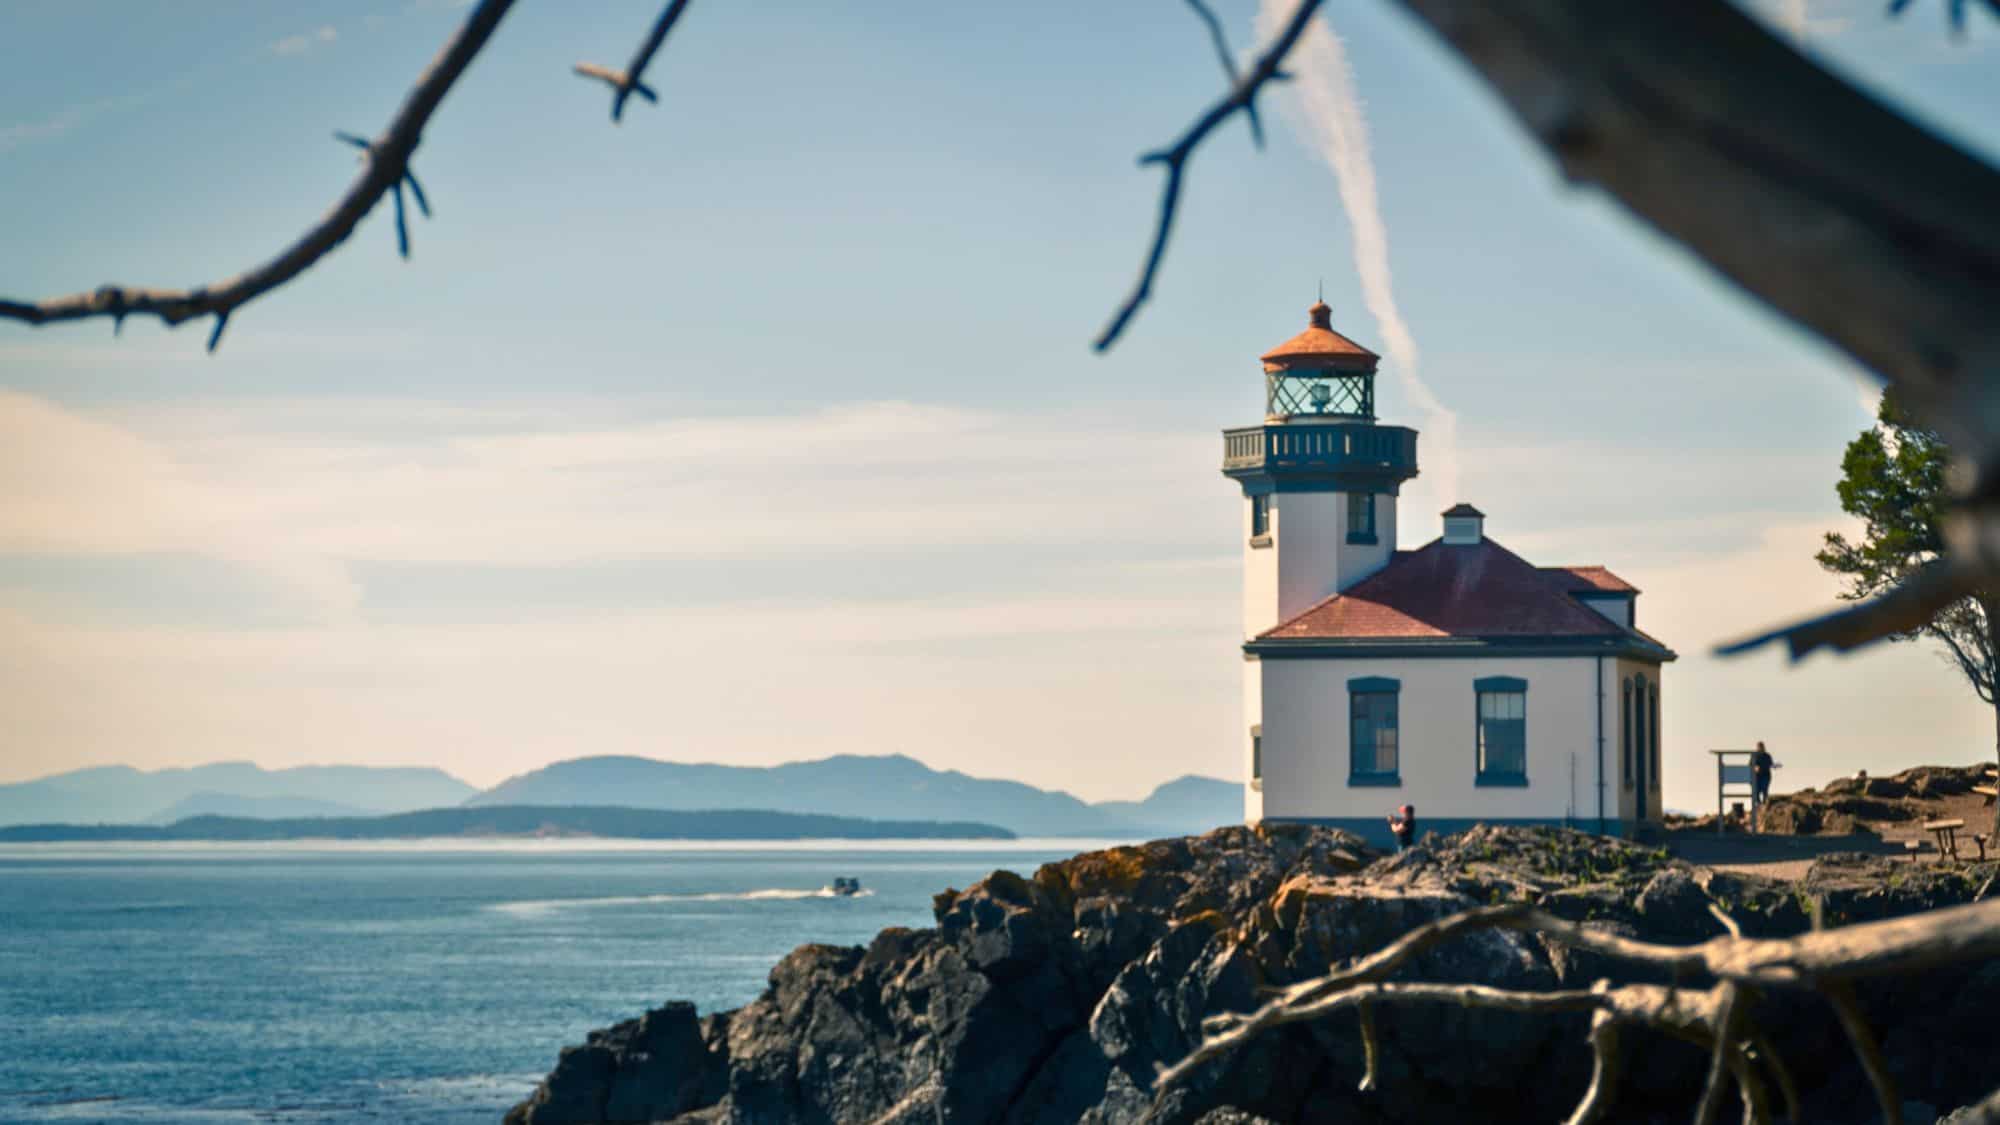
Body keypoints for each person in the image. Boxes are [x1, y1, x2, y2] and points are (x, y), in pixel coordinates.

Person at [1750, 741, 1776, 814]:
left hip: (1765, 776)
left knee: (1765, 791)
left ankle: (1764, 805)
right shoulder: (1754, 756)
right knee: (1756, 791)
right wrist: (1755, 768)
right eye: (1759, 747)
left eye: (1762, 747)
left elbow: (1771, 764)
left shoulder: (1767, 756)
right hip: (1757, 777)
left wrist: (1775, 766)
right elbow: (1750, 765)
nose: (1761, 748)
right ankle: (1758, 805)